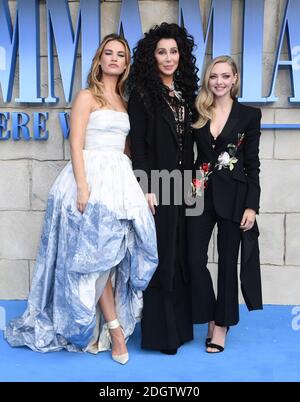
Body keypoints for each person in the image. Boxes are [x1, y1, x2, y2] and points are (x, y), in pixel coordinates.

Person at [5, 34, 158, 364]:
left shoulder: (124, 100)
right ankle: (115, 333)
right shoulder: (87, 96)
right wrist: (83, 187)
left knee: (118, 252)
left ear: (126, 63)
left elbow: (125, 147)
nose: (115, 59)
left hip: (119, 178)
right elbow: (76, 143)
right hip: (88, 177)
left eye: (121, 54)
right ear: (99, 60)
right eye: (109, 53)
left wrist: (137, 182)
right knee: (96, 257)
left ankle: (103, 327)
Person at [128, 23, 199, 354]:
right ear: (151, 57)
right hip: (158, 185)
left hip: (184, 187)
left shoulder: (186, 93)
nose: (169, 57)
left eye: (174, 51)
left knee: (183, 254)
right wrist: (145, 187)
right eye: (161, 52)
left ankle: (182, 329)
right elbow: (139, 148)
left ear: (180, 55)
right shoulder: (143, 94)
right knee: (163, 259)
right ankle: (161, 335)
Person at [187, 55, 263, 353]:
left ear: (235, 79)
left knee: (228, 263)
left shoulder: (249, 115)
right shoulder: (198, 111)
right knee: (194, 259)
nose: (219, 81)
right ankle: (208, 314)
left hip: (235, 196)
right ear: (208, 80)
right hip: (198, 193)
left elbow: (252, 163)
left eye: (225, 76)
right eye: (214, 76)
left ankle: (221, 324)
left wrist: (252, 206)